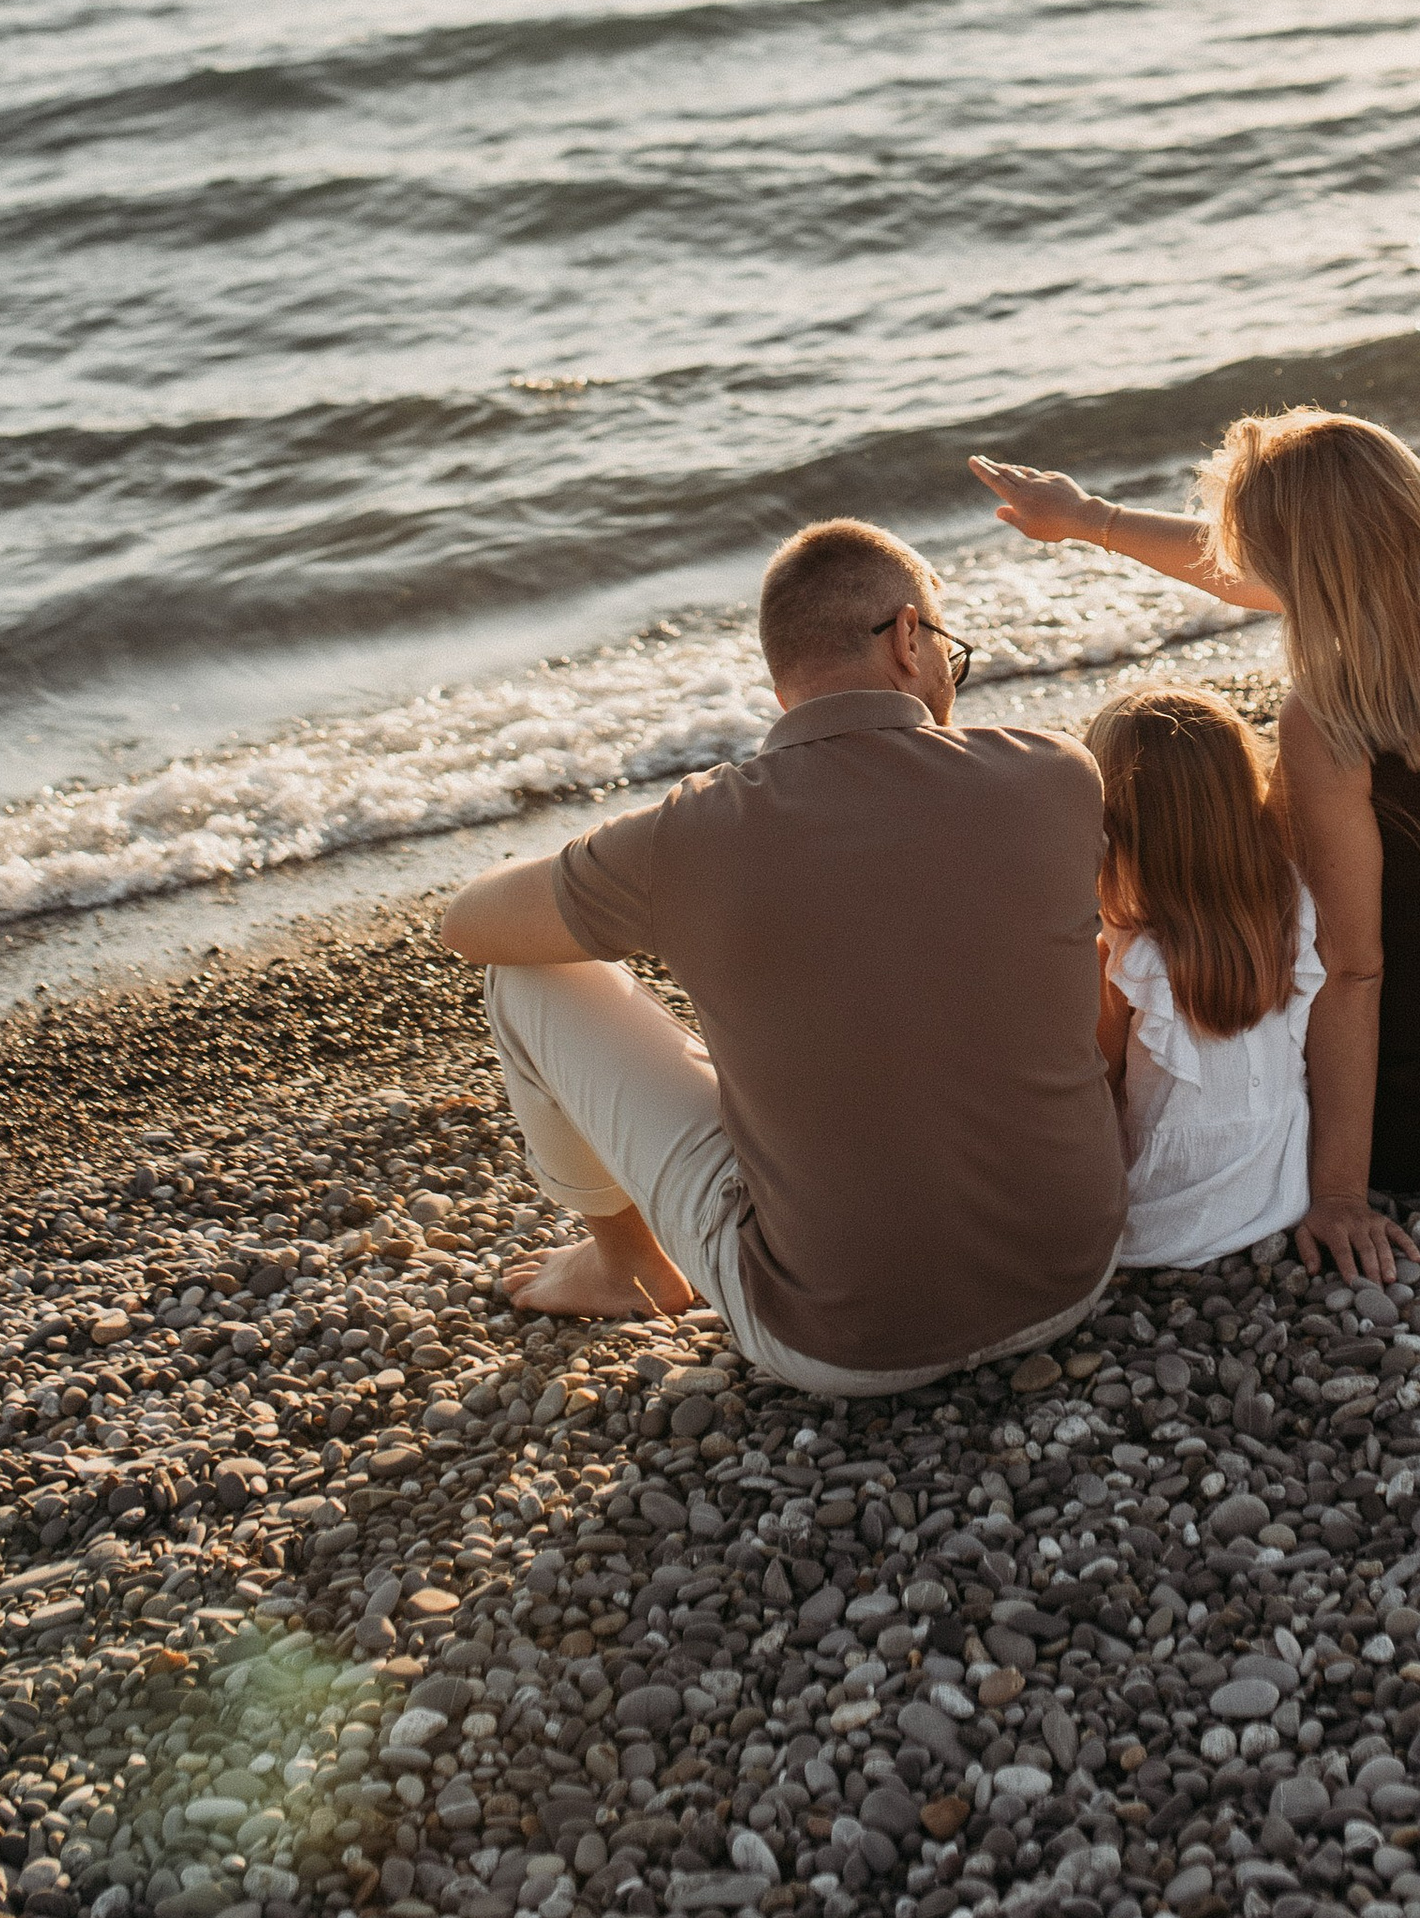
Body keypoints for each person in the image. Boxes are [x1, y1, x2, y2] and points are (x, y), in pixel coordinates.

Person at [439, 516, 1125, 1394]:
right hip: (1073, 1275)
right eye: (949, 649)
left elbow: (467, 924)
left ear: (781, 678)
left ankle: (622, 1264)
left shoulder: (693, 834)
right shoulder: (1055, 774)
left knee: (526, 977)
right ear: (910, 637)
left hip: (839, 1342)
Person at [971, 412, 1420, 1267]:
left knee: (1201, 867)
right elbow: (1255, 576)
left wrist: (1337, 1192)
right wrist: (1089, 518)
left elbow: (1354, 966)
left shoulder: (1330, 718)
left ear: (1298, 568)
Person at [1087, 683, 1338, 1270]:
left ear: (1117, 826)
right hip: (1279, 1185)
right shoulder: (1295, 911)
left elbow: (1097, 1080)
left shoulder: (1127, 956)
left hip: (1161, 1209)